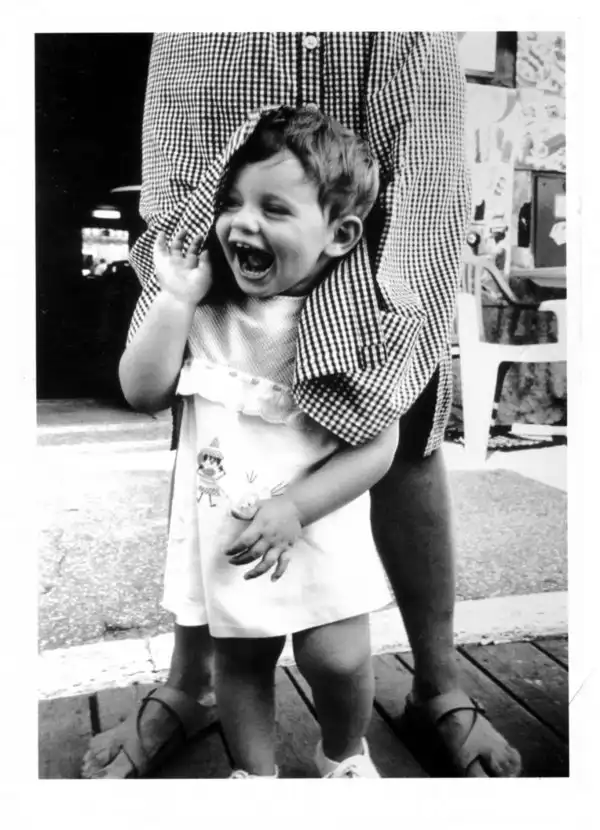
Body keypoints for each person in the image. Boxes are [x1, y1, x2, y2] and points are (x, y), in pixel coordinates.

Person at [82, 31, 522, 779]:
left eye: (269, 210)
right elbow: (146, 391)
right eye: (231, 204)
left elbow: (382, 436)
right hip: (224, 43)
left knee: (341, 655)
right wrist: (175, 302)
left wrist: (295, 507)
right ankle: (226, 736)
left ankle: (383, 726)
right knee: (241, 650)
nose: (240, 222)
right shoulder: (208, 309)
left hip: (391, 45)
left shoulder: (345, 312)